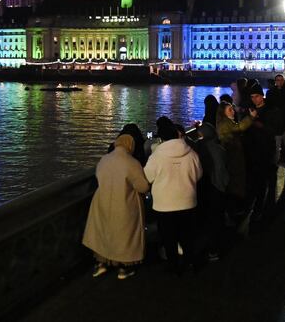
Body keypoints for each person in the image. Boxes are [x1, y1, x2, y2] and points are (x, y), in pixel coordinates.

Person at [83, 134, 150, 280]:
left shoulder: (104, 159)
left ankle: (102, 264)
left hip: (102, 202)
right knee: (124, 236)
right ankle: (123, 268)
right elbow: (143, 186)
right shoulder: (131, 162)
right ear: (130, 145)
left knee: (104, 233)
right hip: (125, 204)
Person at [145, 119, 203, 275]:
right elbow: (198, 175)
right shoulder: (191, 153)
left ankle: (173, 266)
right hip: (188, 202)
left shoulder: (157, 156)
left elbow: (148, 177)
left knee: (168, 238)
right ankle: (189, 263)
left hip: (164, 205)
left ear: (162, 138)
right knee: (187, 236)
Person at [189, 119, 228, 260]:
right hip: (218, 186)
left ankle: (210, 247)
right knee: (216, 217)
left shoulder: (201, 147)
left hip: (207, 186)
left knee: (208, 217)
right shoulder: (219, 148)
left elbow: (190, 144)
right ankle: (214, 248)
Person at [244, 85, 282, 224]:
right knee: (256, 179)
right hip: (252, 148)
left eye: (257, 96)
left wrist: (260, 125)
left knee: (262, 180)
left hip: (265, 148)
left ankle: (259, 208)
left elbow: (276, 129)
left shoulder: (271, 110)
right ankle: (257, 207)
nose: (254, 99)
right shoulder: (250, 109)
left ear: (262, 96)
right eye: (252, 97)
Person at [216, 101, 258, 217]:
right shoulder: (226, 123)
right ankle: (233, 212)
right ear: (223, 113)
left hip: (234, 157)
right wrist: (251, 117)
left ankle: (233, 210)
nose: (233, 111)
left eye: (232, 109)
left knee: (235, 183)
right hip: (232, 158)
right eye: (230, 110)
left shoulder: (226, 122)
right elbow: (239, 127)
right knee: (234, 183)